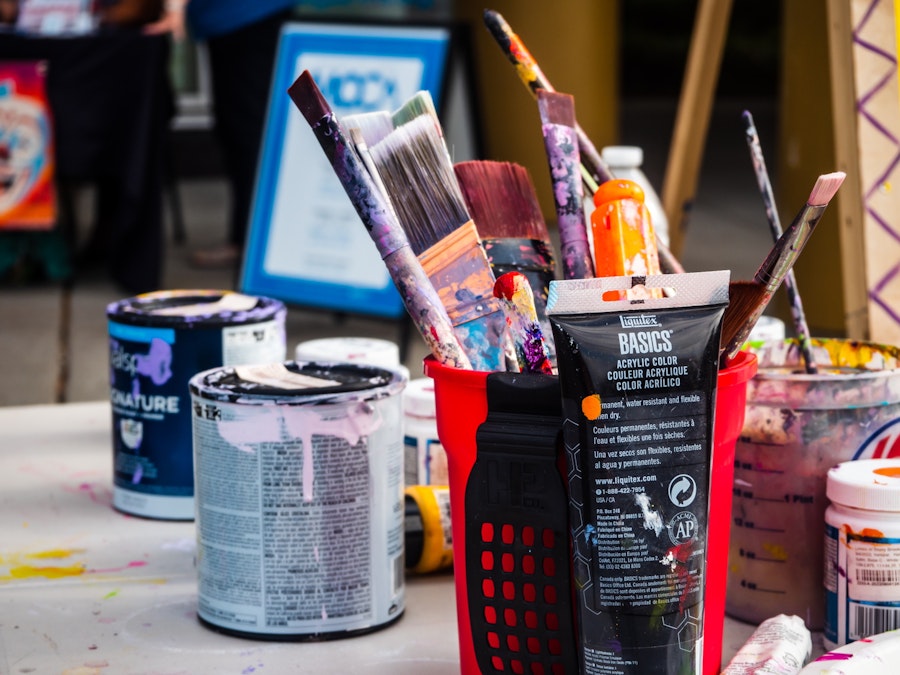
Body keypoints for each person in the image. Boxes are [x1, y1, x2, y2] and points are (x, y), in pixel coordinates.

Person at [146, 0, 297, 269]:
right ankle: (251, 242)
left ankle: (253, 247)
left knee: (248, 130)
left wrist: (175, 8)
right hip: (237, 19)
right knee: (242, 128)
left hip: (245, 16)